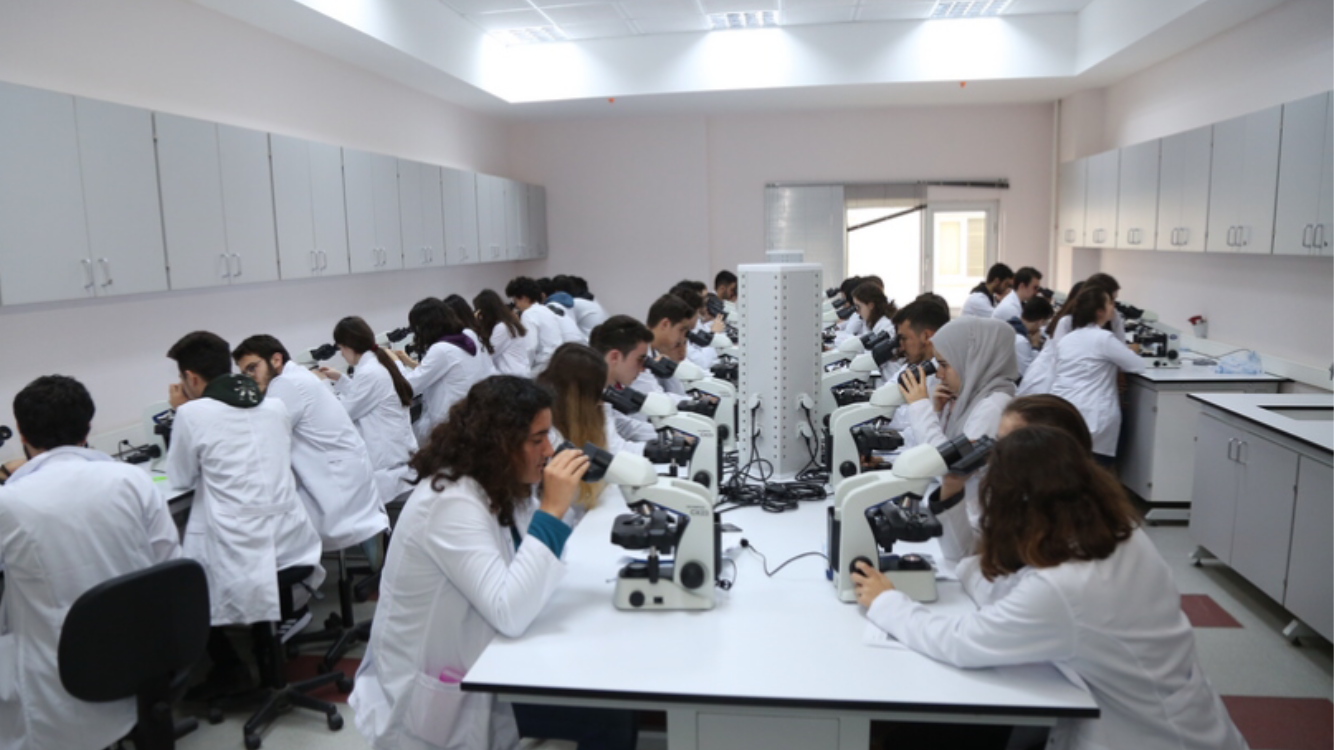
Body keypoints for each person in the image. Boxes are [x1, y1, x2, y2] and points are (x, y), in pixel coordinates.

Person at [852, 425, 1247, 750]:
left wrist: (887, 601)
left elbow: (961, 642)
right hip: (1195, 719)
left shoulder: (1064, 586)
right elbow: (1009, 590)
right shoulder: (1119, 534)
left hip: (1149, 737)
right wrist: (972, 567)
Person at [349, 376, 638, 750]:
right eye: (538, 439)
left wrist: (554, 507)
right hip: (434, 699)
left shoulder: (499, 483)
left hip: (486, 664)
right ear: (500, 443)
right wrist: (553, 508)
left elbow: (536, 561)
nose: (550, 450)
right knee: (609, 718)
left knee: (608, 697)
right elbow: (509, 610)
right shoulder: (450, 502)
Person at [0, 376, 182, 750]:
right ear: (87, 427)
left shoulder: (10, 503)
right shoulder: (132, 479)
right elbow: (170, 566)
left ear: (20, 431)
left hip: (60, 683)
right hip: (141, 663)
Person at [164, 331, 324, 698]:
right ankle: (265, 651)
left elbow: (180, 478)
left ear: (191, 378)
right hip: (292, 543)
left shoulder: (190, 414)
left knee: (186, 578)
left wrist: (177, 413)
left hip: (244, 550)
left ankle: (228, 667)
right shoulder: (273, 406)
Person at [233, 334, 389, 553]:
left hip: (336, 488)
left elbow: (263, 437)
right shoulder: (298, 376)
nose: (249, 378)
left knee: (261, 527)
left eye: (252, 368)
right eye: (244, 373)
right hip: (347, 478)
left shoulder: (285, 384)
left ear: (276, 360)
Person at [898, 316, 1018, 563]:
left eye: (944, 365)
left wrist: (920, 407)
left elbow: (946, 466)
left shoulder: (994, 407)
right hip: (963, 520)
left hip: (976, 535)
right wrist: (936, 411)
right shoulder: (970, 399)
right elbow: (932, 454)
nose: (939, 374)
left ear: (973, 361)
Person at [535, 343, 641, 527]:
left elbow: (611, 449)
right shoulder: (550, 439)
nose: (601, 401)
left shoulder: (584, 418)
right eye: (598, 394)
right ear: (580, 398)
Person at [318, 316, 419, 504]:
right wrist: (340, 380)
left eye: (341, 349)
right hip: (400, 464)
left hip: (391, 473)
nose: (341, 355)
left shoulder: (369, 372)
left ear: (349, 346)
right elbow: (366, 398)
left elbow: (343, 414)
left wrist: (322, 385)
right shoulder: (377, 364)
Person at [1050, 286, 1146, 467]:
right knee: (1094, 473)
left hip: (1065, 413)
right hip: (1094, 418)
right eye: (1110, 303)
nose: (1113, 307)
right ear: (1100, 311)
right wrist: (1131, 350)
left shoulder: (1067, 340)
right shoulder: (1103, 338)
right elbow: (1137, 366)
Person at [390, 298, 496, 446]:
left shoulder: (441, 349)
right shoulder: (468, 337)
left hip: (450, 424)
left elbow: (409, 387)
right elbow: (442, 370)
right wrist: (409, 363)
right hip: (472, 416)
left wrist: (394, 362)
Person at [590, 315, 660, 444]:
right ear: (615, 357)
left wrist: (670, 434)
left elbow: (624, 425)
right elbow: (613, 448)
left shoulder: (604, 386)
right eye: (639, 360)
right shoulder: (587, 390)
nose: (642, 369)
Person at [634, 294, 695, 397]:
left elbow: (677, 393)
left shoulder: (657, 352)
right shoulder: (636, 352)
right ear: (665, 324)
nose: (683, 337)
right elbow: (657, 398)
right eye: (681, 330)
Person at [506, 277, 564, 371]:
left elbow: (530, 347)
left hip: (543, 364)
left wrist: (524, 368)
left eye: (515, 301)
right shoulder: (545, 310)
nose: (516, 306)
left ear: (524, 298)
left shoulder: (529, 314)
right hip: (557, 361)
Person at [474, 288, 534, 377]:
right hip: (517, 374)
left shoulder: (502, 328)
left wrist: (476, 326)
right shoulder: (508, 324)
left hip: (512, 376)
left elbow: (488, 354)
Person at [1011, 295, 1054, 379]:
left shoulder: (1012, 325)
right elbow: (1030, 374)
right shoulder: (1021, 341)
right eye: (1044, 323)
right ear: (1040, 321)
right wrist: (1035, 346)